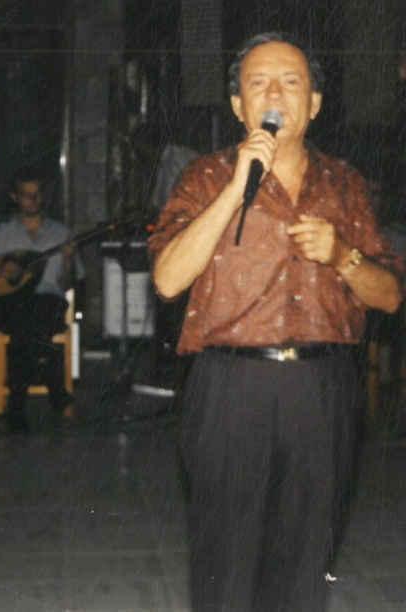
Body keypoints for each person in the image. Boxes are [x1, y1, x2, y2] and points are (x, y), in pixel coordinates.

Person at [148, 32, 403, 612]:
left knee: (306, 559)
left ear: (314, 103)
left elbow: (391, 296)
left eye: (291, 82)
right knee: (227, 562)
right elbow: (167, 280)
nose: (274, 95)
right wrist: (235, 189)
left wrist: (343, 256)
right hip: (231, 387)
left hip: (322, 388)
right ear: (238, 105)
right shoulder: (203, 178)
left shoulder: (345, 183)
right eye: (258, 83)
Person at [0, 167, 84, 433]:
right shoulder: (1, 234)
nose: (33, 200)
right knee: (24, 315)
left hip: (48, 304)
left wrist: (68, 260)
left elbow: (67, 286)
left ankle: (16, 405)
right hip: (10, 304)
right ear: (14, 197)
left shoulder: (62, 234)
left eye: (37, 194)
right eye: (26, 195)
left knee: (29, 320)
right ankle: (54, 384)